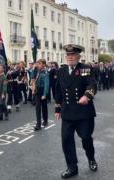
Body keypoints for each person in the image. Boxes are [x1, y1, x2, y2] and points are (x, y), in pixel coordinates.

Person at [55, 44, 98, 179]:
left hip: (84, 112)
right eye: (68, 55)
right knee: (66, 140)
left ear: (78, 56)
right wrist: (57, 109)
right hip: (67, 112)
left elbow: (91, 84)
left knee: (86, 138)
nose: (70, 57)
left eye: (73, 55)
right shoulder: (61, 71)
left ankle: (91, 158)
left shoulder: (84, 69)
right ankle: (72, 167)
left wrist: (87, 95)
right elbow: (59, 91)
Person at [33, 59, 49, 131]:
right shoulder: (37, 71)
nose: (38, 65)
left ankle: (45, 120)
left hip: (42, 91)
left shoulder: (45, 73)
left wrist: (45, 94)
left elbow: (46, 84)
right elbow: (33, 78)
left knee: (44, 107)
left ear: (43, 65)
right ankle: (38, 124)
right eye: (37, 63)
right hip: (37, 91)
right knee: (38, 108)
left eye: (39, 63)